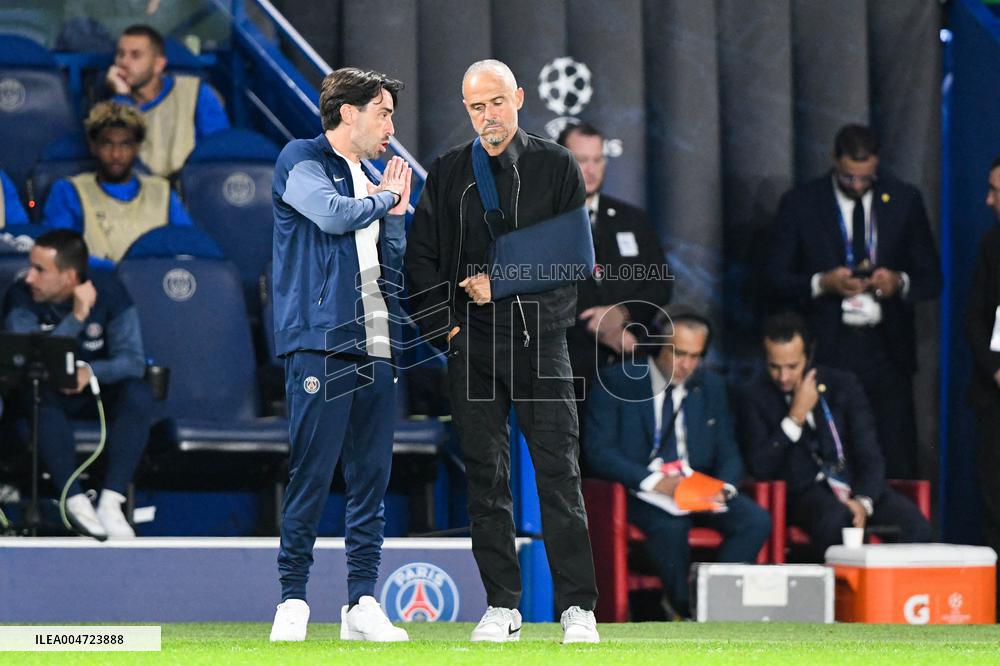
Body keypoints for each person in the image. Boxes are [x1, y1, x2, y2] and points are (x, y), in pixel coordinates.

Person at [405, 59, 600, 644]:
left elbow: (574, 258)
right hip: (474, 347)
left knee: (559, 475)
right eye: (475, 106)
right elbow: (420, 262)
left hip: (541, 341)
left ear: (519, 96)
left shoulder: (556, 164)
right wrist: (449, 333)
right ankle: (502, 605)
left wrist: (501, 282)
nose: (487, 116)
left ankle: (577, 608)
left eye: (496, 102)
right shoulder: (447, 172)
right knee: (486, 480)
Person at [268, 67, 411, 643]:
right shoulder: (298, 158)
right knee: (312, 471)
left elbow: (390, 270)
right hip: (320, 339)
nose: (391, 127)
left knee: (371, 478)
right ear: (347, 113)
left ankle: (362, 602)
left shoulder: (374, 178)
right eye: (383, 113)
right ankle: (293, 598)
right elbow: (329, 214)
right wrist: (384, 199)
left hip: (377, 342)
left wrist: (396, 218)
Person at [766, 125, 941, 480]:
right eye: (849, 177)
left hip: (887, 349)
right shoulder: (802, 203)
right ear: (834, 160)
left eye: (867, 177)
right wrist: (822, 282)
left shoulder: (903, 199)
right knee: (835, 447)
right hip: (828, 347)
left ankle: (898, 529)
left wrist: (898, 283)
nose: (859, 185)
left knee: (894, 451)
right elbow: (774, 279)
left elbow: (931, 278)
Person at [583, 306, 770, 619]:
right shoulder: (617, 381)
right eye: (679, 353)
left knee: (755, 520)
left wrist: (722, 487)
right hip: (640, 488)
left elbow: (729, 450)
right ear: (659, 346)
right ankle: (681, 606)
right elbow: (598, 452)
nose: (687, 365)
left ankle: (710, 601)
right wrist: (656, 483)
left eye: (695, 356)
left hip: (696, 486)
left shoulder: (711, 387)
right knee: (671, 527)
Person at [739, 312, 931, 560]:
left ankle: (900, 598)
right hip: (806, 494)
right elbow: (760, 465)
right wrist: (795, 417)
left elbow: (870, 453)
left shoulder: (842, 385)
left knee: (916, 525)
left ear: (808, 356)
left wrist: (863, 501)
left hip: (856, 487)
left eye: (792, 367)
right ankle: (843, 597)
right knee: (836, 518)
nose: (783, 377)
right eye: (774, 367)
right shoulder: (754, 396)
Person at [3, 230, 153, 539]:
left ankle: (111, 501)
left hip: (92, 396)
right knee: (36, 388)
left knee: (138, 392)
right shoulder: (20, 295)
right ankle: (73, 499)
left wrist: (89, 372)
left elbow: (133, 361)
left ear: (70, 276)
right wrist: (77, 316)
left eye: (40, 270)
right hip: (45, 397)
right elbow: (30, 359)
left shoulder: (111, 291)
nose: (29, 277)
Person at [556, 122, 671, 402]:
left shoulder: (631, 219)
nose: (591, 169)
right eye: (582, 160)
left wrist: (621, 313)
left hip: (628, 363)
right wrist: (594, 326)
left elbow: (660, 284)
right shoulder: (541, 223)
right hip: (567, 371)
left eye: (598, 159)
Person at [43, 101, 194, 269]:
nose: (116, 154)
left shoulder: (162, 191)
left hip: (153, 284)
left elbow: (187, 247)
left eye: (125, 144)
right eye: (107, 144)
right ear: (93, 146)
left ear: (137, 148)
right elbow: (61, 255)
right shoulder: (68, 191)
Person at [105, 24, 229, 176]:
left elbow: (220, 155)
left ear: (158, 64)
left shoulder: (197, 93)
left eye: (135, 55)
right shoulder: (115, 105)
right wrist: (122, 98)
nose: (124, 62)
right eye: (120, 54)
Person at [965, 154, 1000, 617]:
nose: (988, 200)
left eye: (995, 191)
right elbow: (976, 317)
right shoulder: (993, 245)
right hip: (996, 397)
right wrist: (995, 368)